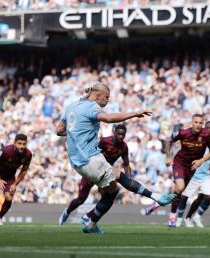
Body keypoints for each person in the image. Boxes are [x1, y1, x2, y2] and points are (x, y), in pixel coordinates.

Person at [55, 82, 175, 234]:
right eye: (106, 98)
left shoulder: (71, 106)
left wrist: (77, 131)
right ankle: (157, 197)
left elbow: (59, 130)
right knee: (116, 183)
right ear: (97, 96)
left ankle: (90, 224)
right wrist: (134, 113)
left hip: (77, 163)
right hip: (90, 160)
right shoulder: (93, 107)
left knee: (113, 187)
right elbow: (109, 118)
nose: (108, 101)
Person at [144, 114, 210, 227]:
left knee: (179, 193)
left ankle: (157, 204)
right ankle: (172, 217)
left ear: (203, 124)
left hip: (191, 167)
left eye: (200, 123)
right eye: (195, 122)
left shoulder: (207, 135)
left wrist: (201, 161)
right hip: (179, 163)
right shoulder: (183, 133)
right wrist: (168, 156)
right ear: (192, 123)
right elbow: (168, 140)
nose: (198, 125)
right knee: (180, 188)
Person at [59, 124, 130, 226]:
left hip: (105, 175)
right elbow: (91, 150)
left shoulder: (124, 147)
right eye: (119, 134)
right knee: (81, 199)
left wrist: (128, 181)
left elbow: (126, 164)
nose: (121, 136)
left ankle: (87, 217)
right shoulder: (104, 141)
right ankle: (67, 212)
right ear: (114, 132)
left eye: (123, 134)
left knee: (107, 198)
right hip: (92, 171)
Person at [175, 121, 210, 228]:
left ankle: (193, 217)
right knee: (185, 197)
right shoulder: (198, 138)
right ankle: (179, 219)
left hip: (205, 175)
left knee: (208, 197)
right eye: (208, 127)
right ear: (205, 128)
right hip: (193, 173)